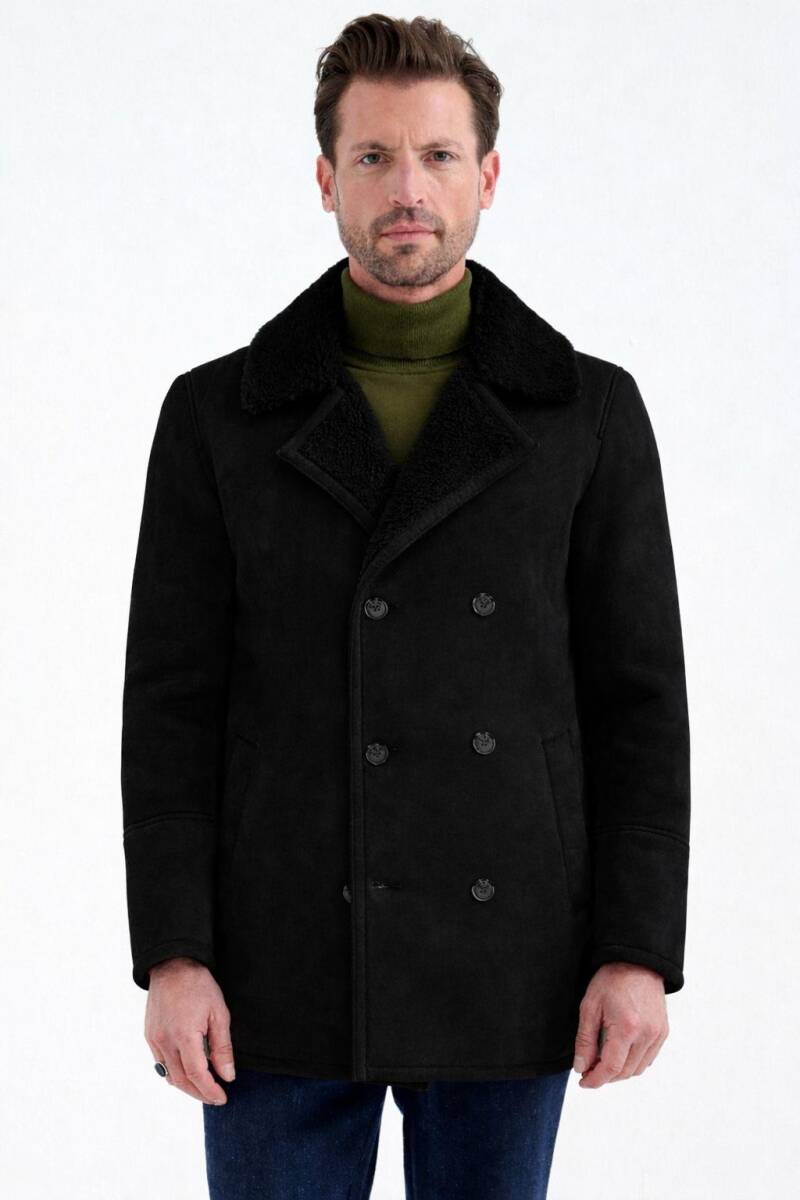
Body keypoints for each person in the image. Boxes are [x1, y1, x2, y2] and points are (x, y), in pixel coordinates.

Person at [120, 13, 691, 1199]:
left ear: (487, 174)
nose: (406, 190)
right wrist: (173, 954)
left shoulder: (584, 415)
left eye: (436, 155)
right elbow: (170, 709)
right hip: (276, 966)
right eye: (373, 156)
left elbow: (636, 705)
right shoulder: (217, 417)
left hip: (510, 960)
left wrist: (635, 950)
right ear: (325, 178)